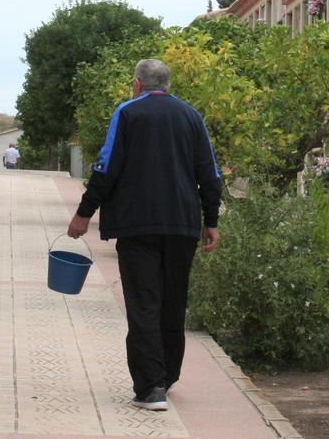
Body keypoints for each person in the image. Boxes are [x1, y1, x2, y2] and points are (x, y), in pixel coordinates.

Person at [67, 59, 222, 412]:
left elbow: (106, 166)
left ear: (137, 84)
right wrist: (210, 220)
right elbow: (209, 173)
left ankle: (151, 388)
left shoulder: (128, 112)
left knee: (143, 303)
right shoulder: (191, 116)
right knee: (172, 300)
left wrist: (83, 213)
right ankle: (166, 375)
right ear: (166, 85)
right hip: (182, 225)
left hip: (138, 225)